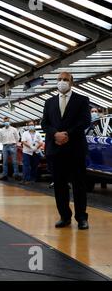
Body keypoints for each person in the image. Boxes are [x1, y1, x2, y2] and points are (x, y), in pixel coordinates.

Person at [41, 71, 91, 230]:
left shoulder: (82, 100)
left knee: (79, 185)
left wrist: (67, 134)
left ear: (71, 82)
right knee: (59, 185)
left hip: (75, 149)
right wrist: (55, 134)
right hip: (55, 149)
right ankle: (64, 216)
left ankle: (81, 217)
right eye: (59, 79)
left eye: (65, 79)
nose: (62, 82)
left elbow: (85, 121)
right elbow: (45, 124)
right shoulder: (49, 102)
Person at [0, 117, 21, 181]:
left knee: (14, 161)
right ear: (3, 122)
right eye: (5, 121)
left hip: (12, 145)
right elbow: (0, 139)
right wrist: (4, 143)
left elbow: (17, 137)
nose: (6, 122)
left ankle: (16, 175)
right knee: (5, 162)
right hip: (5, 146)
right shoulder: (2, 130)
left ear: (9, 122)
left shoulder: (14, 129)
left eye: (7, 121)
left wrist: (14, 143)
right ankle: (5, 175)